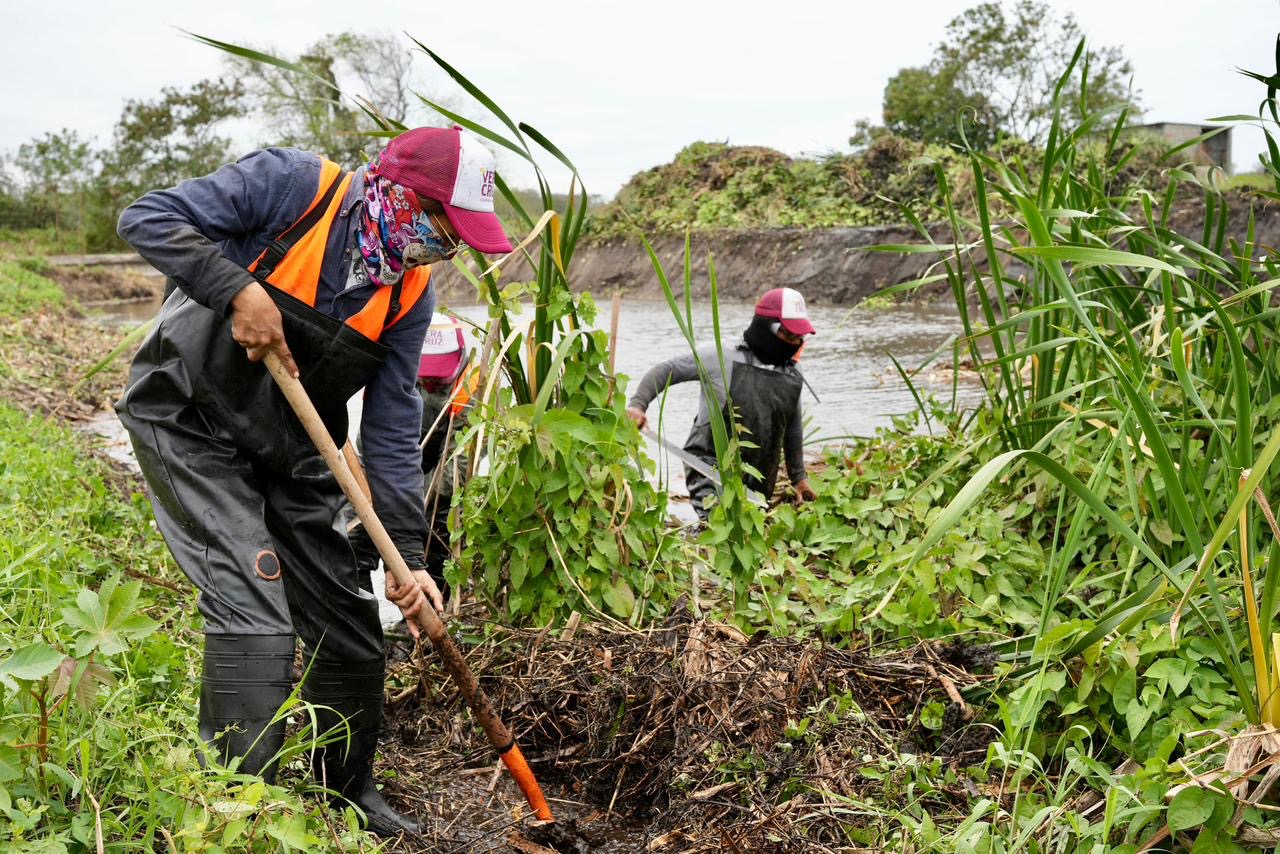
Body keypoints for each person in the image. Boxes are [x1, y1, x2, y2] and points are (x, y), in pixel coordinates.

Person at [114, 126, 513, 837]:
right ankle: (238, 810)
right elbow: (146, 217)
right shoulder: (294, 186)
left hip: (295, 450)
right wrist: (237, 289)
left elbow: (392, 435)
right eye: (443, 226)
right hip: (191, 420)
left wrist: (410, 560)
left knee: (351, 627)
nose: (447, 247)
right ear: (401, 195)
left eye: (458, 239)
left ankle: (346, 792)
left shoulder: (408, 294)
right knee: (254, 605)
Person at [626, 288, 819, 517]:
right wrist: (638, 405)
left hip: (758, 479)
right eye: (790, 335)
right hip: (709, 469)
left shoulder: (792, 372)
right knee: (718, 526)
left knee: (751, 532)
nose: (796, 343)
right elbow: (667, 370)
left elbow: (792, 425)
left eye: (800, 337)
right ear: (766, 327)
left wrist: (799, 478)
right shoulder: (721, 355)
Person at [350, 320, 479, 601]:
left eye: (438, 380)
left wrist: (406, 504)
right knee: (354, 530)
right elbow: (369, 448)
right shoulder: (397, 369)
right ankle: (359, 612)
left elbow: (457, 469)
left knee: (435, 525)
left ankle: (434, 606)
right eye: (426, 377)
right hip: (395, 464)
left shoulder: (471, 386)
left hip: (439, 477)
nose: (430, 384)